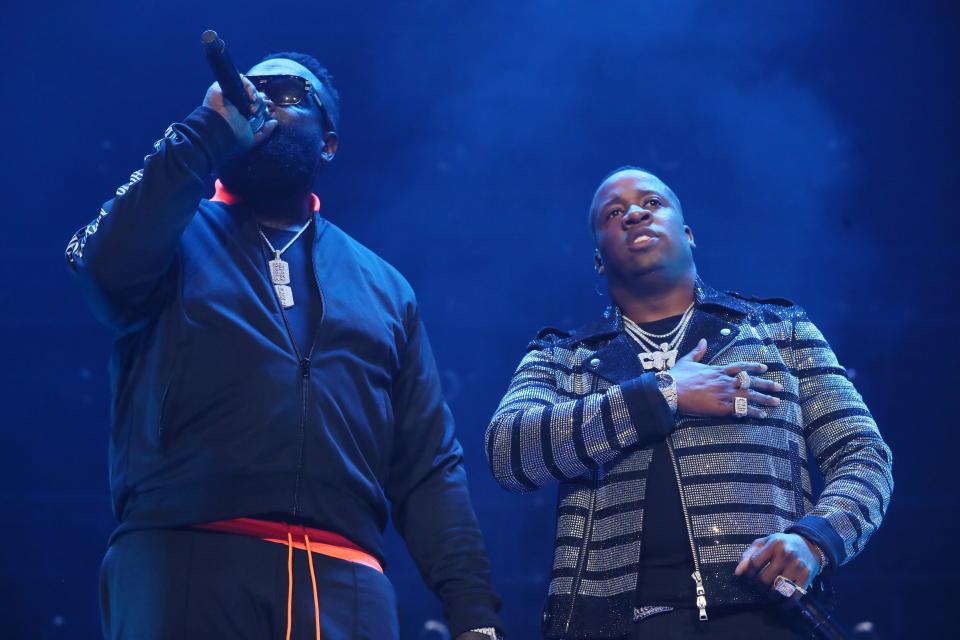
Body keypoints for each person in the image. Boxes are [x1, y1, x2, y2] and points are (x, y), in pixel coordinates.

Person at [66, 51, 502, 640]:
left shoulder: (384, 287)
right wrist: (202, 133)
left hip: (344, 579)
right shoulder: (170, 233)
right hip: (185, 555)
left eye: (288, 92)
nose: (262, 100)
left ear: (328, 143)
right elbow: (102, 269)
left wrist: (473, 614)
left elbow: (428, 466)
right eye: (252, 89)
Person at [484, 167, 892, 639]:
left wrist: (817, 540)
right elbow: (508, 452)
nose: (635, 213)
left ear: (688, 233)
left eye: (652, 203)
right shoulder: (562, 356)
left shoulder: (780, 330)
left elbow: (864, 454)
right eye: (614, 213)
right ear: (598, 259)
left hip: (763, 614)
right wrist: (663, 393)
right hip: (615, 625)